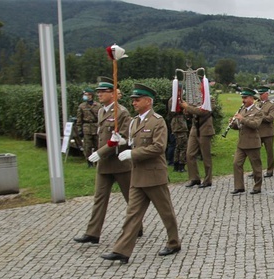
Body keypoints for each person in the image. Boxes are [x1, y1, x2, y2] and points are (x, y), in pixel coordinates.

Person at [101, 83, 181, 263]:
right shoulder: (134, 122)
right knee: (132, 214)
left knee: (165, 212)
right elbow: (132, 143)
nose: (134, 103)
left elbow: (158, 147)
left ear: (148, 101)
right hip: (137, 176)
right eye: (133, 100)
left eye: (137, 100)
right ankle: (121, 250)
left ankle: (174, 242)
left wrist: (133, 153)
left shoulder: (157, 121)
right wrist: (121, 142)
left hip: (153, 175)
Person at [73, 77, 133, 245]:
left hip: (119, 163)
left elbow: (124, 137)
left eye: (103, 92)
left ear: (113, 94)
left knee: (131, 199)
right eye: (98, 91)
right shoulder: (101, 111)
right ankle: (93, 233)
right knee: (99, 198)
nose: (98, 94)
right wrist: (99, 153)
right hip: (104, 164)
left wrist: (100, 152)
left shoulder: (121, 112)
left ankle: (136, 225)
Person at [230, 89, 264, 195]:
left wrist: (242, 119)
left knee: (256, 166)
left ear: (251, 98)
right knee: (236, 163)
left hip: (252, 143)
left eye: (245, 98)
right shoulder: (242, 110)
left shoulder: (258, 111)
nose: (243, 100)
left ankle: (257, 186)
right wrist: (233, 124)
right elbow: (240, 126)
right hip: (242, 143)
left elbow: (255, 125)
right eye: (242, 98)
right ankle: (239, 186)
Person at [182, 87, 215, 188]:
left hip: (205, 129)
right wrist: (186, 111)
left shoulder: (210, 99)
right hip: (195, 128)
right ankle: (194, 178)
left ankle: (208, 179)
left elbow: (203, 112)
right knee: (189, 154)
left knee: (206, 156)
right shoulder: (195, 100)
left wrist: (188, 107)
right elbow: (191, 113)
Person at [75, 87, 101, 167]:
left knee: (98, 145)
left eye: (86, 94)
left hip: (96, 127)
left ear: (91, 95)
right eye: (84, 94)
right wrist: (79, 129)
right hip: (86, 128)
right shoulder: (82, 106)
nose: (85, 96)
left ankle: (97, 162)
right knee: (87, 146)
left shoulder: (98, 105)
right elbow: (79, 119)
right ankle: (89, 162)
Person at [256, 86, 274, 178]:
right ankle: (256, 170)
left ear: (267, 94)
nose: (260, 96)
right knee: (255, 152)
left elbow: (271, 118)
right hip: (257, 131)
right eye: (259, 94)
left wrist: (260, 115)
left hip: (268, 132)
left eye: (262, 94)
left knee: (269, 152)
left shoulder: (272, 105)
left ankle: (270, 170)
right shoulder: (257, 104)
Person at [167, 84, 188, 172]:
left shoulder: (172, 99)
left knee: (177, 146)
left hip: (176, 124)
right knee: (182, 146)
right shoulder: (176, 100)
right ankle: (181, 165)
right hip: (179, 125)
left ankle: (176, 164)